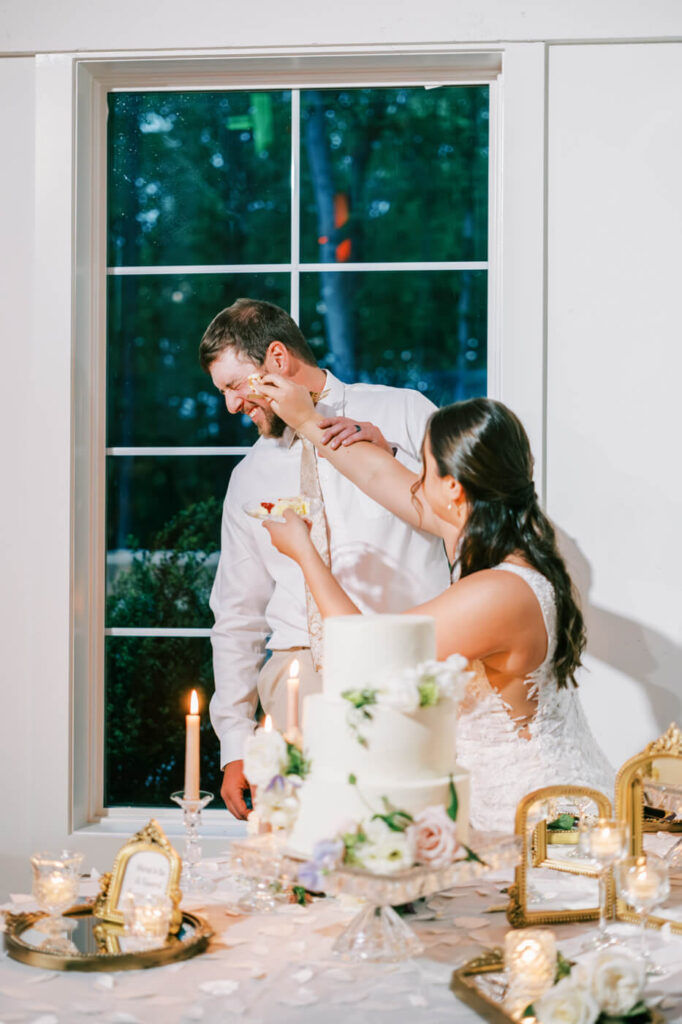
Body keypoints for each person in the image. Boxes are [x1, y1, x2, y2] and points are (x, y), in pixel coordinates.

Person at [258, 375, 615, 831]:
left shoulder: (496, 592)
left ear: (454, 490)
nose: (412, 478)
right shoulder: (518, 546)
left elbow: (367, 658)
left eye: (423, 469)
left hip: (537, 828)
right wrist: (308, 420)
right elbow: (382, 479)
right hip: (534, 806)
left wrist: (306, 556)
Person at [199, 298, 451, 820]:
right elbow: (237, 615)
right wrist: (236, 742)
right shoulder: (248, 476)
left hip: (404, 669)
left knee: (410, 839)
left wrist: (397, 459)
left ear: (277, 358)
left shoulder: (401, 414)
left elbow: (463, 517)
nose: (229, 406)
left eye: (233, 386)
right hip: (298, 679)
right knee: (305, 858)